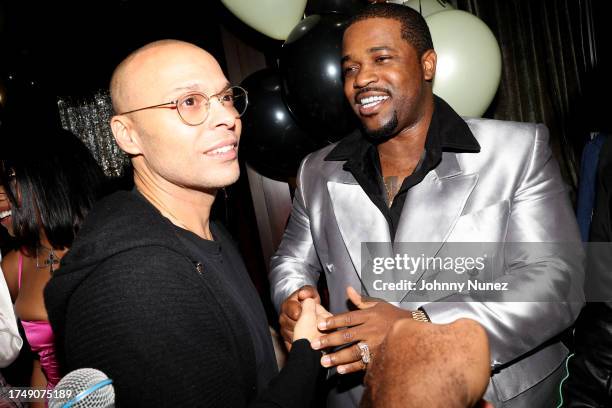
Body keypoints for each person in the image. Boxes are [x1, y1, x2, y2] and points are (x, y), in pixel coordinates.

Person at [270, 3, 584, 407]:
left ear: (428, 64)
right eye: (350, 68)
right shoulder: (317, 170)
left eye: (381, 58)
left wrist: (419, 326)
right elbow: (290, 261)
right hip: (360, 395)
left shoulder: (516, 149)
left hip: (495, 393)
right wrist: (296, 298)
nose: (362, 78)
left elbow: (559, 279)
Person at [44, 39, 330, 408]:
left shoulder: (208, 232)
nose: (228, 117)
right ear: (127, 134)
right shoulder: (134, 279)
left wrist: (285, 337)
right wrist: (307, 352)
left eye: (226, 97)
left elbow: (244, 364)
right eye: (189, 102)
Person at [0, 128, 106, 407]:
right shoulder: (15, 265)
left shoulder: (106, 251)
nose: (0, 193)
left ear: (49, 179)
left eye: (9, 178)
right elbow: (40, 362)